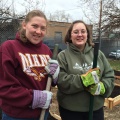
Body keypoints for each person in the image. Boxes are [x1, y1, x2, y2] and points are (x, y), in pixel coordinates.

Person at [0, 10, 59, 120]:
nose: (38, 31)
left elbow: (47, 82)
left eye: (42, 28)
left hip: (42, 113)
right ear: (24, 25)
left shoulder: (46, 50)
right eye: (34, 26)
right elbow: (4, 87)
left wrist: (55, 77)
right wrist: (34, 98)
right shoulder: (9, 48)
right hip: (17, 115)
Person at [57, 20, 115, 120]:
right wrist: (83, 81)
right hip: (71, 111)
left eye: (83, 31)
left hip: (95, 110)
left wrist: (102, 87)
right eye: (76, 32)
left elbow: (109, 75)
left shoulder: (98, 54)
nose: (80, 35)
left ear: (87, 34)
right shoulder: (63, 56)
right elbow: (61, 81)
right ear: (70, 36)